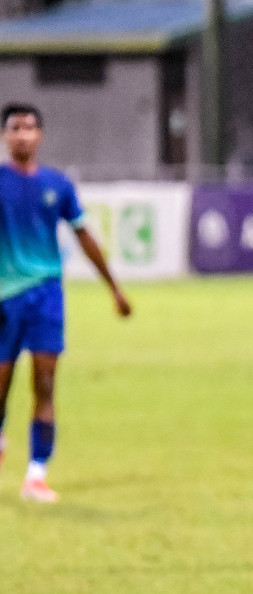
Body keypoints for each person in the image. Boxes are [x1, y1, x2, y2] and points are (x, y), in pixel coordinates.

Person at [0, 104, 131, 501]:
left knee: (45, 383)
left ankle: (36, 474)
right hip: (4, 300)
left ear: (40, 135)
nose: (22, 134)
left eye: (29, 127)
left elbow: (83, 235)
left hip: (46, 298)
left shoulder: (58, 184)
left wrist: (114, 288)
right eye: (14, 128)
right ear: (5, 137)